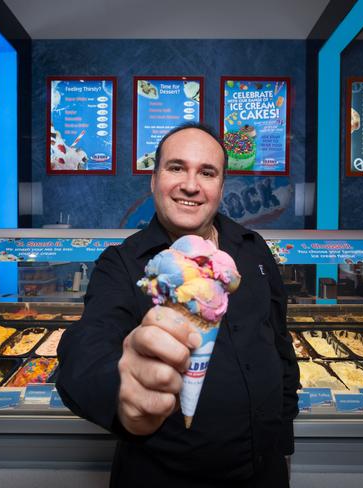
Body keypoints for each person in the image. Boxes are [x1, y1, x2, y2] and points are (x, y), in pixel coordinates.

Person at [56, 122, 299, 487]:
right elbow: (88, 345)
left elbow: (279, 343)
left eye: (207, 172)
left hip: (264, 474)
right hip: (165, 477)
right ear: (153, 180)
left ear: (220, 186)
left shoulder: (252, 248)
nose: (191, 184)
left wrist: (282, 439)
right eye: (176, 168)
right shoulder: (123, 263)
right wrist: (120, 389)